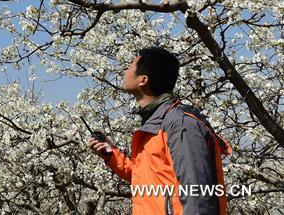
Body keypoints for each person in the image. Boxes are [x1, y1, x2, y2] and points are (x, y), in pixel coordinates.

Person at [89, 47, 231, 215]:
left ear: (143, 80)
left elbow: (199, 196)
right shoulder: (156, 124)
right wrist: (112, 156)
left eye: (130, 65)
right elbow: (149, 178)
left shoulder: (180, 124)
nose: (125, 72)